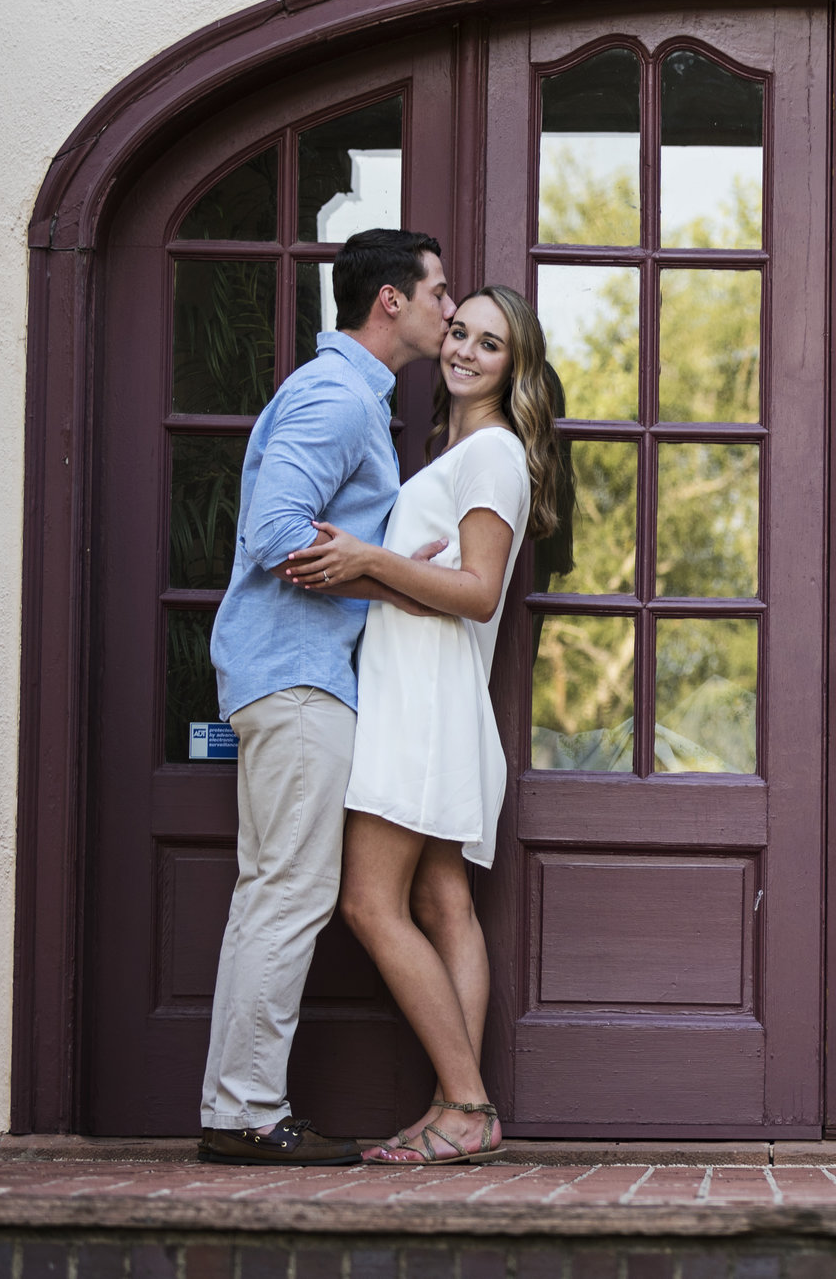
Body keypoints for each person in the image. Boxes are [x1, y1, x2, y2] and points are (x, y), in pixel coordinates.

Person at [282, 286, 569, 1165]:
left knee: (370, 901)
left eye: (491, 343)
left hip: (424, 705)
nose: (466, 350)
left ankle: (468, 1102)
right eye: (459, 332)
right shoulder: (456, 452)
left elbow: (479, 593)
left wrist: (366, 558)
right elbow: (429, 590)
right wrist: (366, 573)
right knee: (444, 902)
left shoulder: (491, 456)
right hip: (431, 693)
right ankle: (457, 1105)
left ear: (515, 366)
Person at [196, 228, 454, 1166]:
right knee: (291, 892)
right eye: (437, 291)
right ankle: (248, 1115)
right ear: (390, 300)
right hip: (297, 678)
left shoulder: (348, 397)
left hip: (294, 674)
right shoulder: (338, 396)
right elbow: (272, 532)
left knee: (274, 891)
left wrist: (385, 568)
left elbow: (322, 537)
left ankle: (239, 1107)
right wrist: (388, 579)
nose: (449, 307)